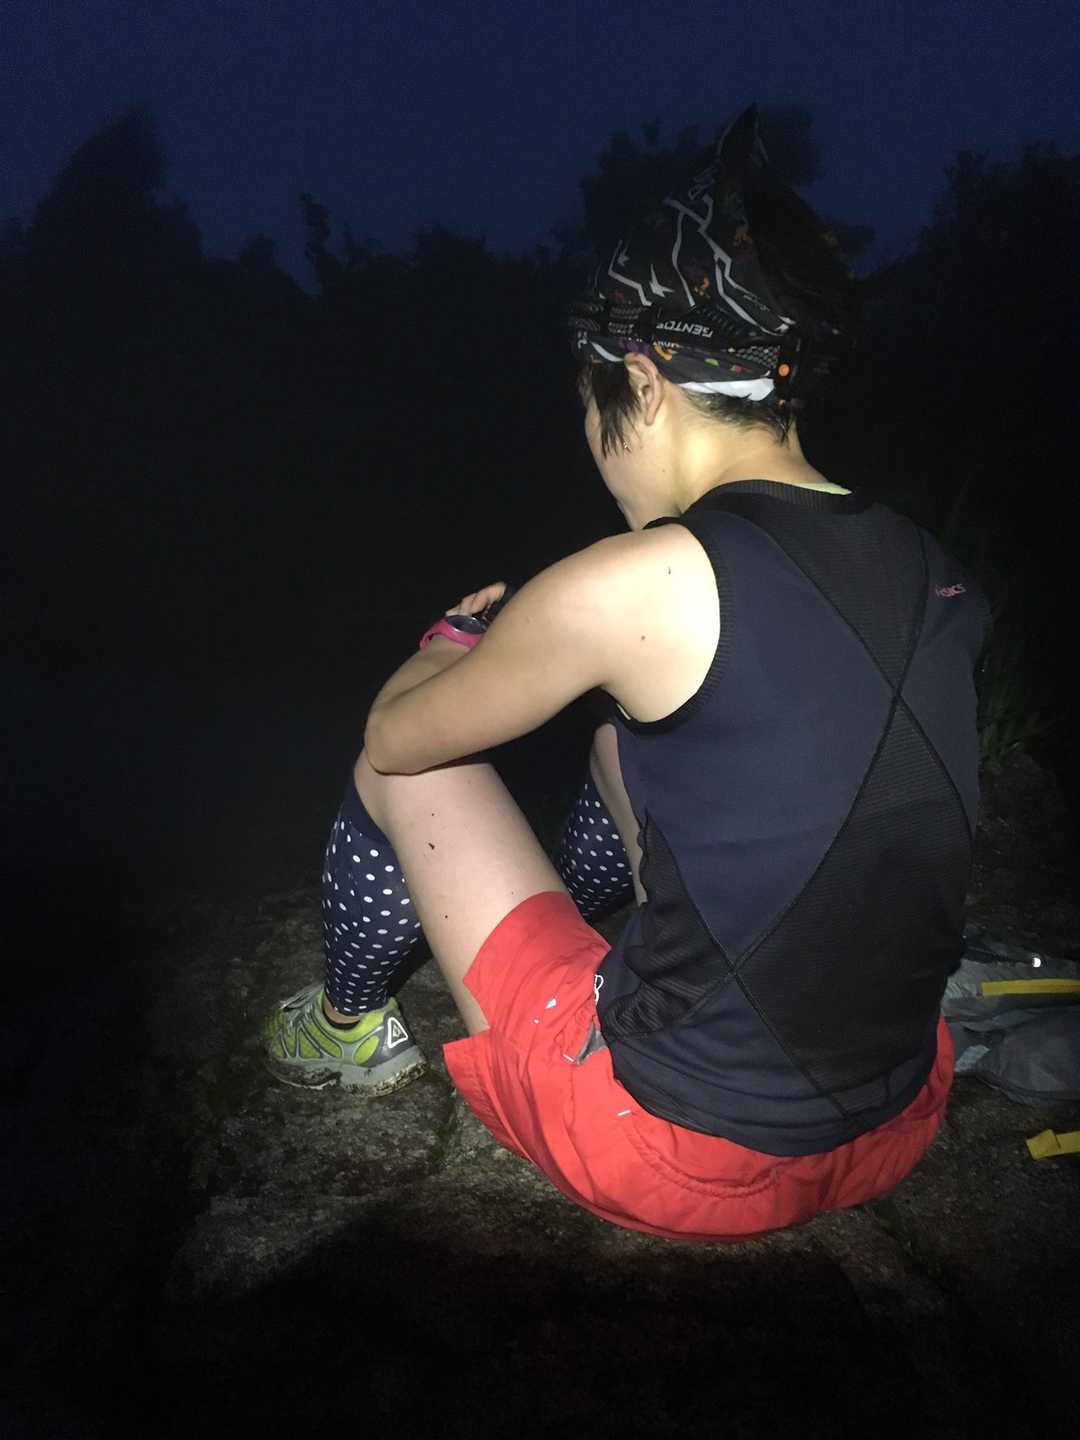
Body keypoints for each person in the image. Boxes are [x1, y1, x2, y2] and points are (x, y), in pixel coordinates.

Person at [263, 106, 989, 1242]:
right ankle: (653, 946)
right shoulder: (934, 568)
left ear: (642, 382)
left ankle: (345, 1028)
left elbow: (398, 736)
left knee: (401, 770)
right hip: (897, 1114)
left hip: (675, 1151)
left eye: (598, 410)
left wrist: (443, 644)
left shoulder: (635, 578)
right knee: (622, 734)